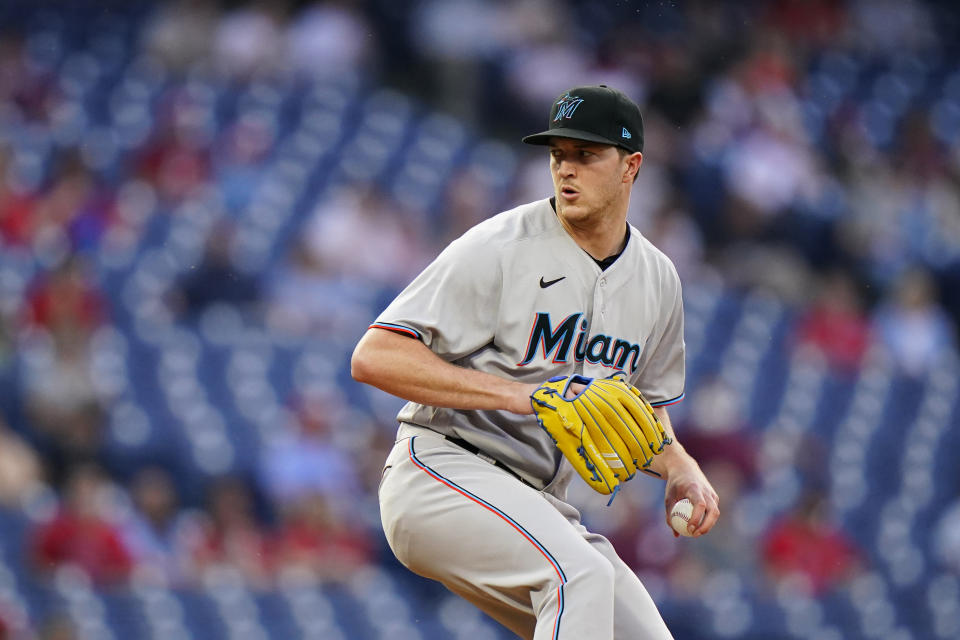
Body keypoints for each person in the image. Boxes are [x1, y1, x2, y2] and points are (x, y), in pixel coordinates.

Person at [352, 85, 719, 639]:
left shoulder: (658, 278)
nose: (566, 170)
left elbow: (640, 407)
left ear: (631, 167)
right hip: (443, 470)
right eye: (558, 155)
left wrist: (679, 467)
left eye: (586, 155)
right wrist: (516, 394)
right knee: (580, 577)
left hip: (538, 502)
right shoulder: (501, 245)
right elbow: (374, 355)